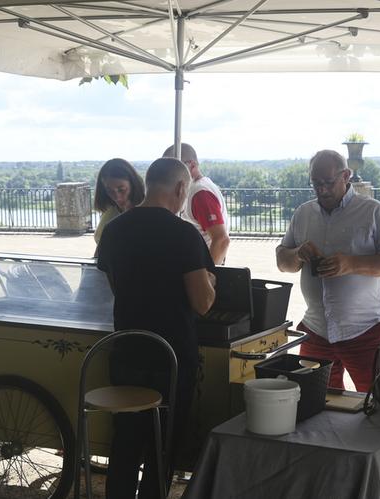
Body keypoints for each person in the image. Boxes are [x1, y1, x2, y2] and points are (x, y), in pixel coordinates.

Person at [97, 157, 216, 499]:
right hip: (171, 356)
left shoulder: (115, 230)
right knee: (162, 447)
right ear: (181, 188)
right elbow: (203, 303)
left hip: (126, 350)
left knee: (126, 442)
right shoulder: (183, 234)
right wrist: (209, 278)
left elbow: (115, 285)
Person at [276, 149, 380, 392]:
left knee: (377, 403)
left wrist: (351, 264)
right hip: (316, 330)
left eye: (328, 182)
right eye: (316, 183)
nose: (322, 189)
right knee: (314, 402)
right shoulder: (304, 213)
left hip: (364, 329)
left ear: (346, 175)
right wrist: (297, 254)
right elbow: (283, 263)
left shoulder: (374, 211)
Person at [162, 143, 230, 265]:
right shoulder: (199, 188)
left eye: (176, 167)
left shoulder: (200, 193)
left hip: (200, 269)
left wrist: (207, 275)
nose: (169, 174)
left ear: (192, 165)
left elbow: (221, 240)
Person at [93, 158, 146, 244]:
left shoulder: (147, 211)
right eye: (109, 191)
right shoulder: (110, 210)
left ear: (133, 185)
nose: (117, 197)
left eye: (122, 190)